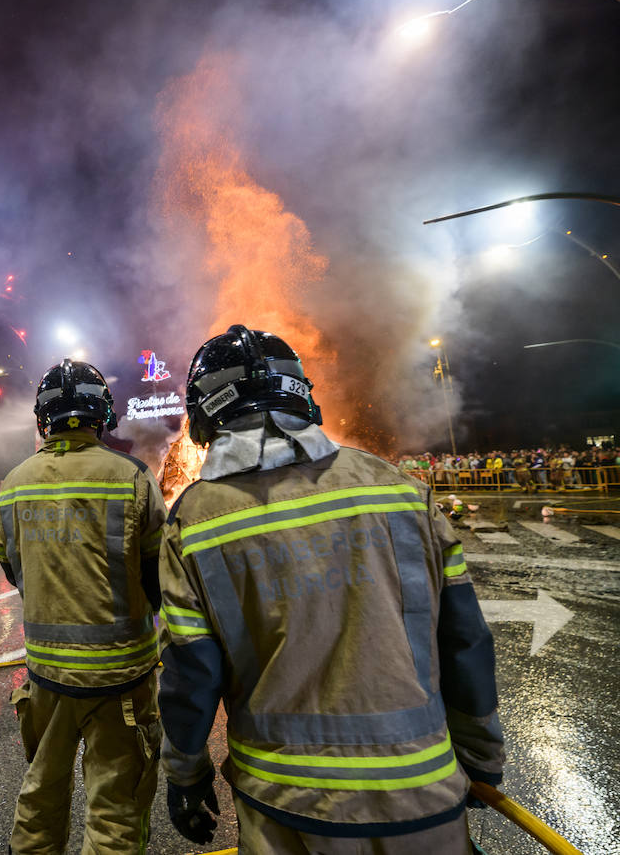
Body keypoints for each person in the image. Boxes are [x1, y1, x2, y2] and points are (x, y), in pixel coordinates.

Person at [158, 326, 504, 852]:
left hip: (286, 807)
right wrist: (480, 756)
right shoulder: (399, 490)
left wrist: (185, 772)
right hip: (423, 793)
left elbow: (190, 672)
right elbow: (465, 641)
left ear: (205, 412)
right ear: (302, 395)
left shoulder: (195, 520)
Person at [0, 358, 167, 854]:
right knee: (115, 808)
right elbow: (158, 576)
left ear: (43, 417)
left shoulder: (14, 483)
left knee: (41, 792)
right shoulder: (132, 476)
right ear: (102, 415)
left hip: (47, 675)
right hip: (121, 679)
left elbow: (13, 569)